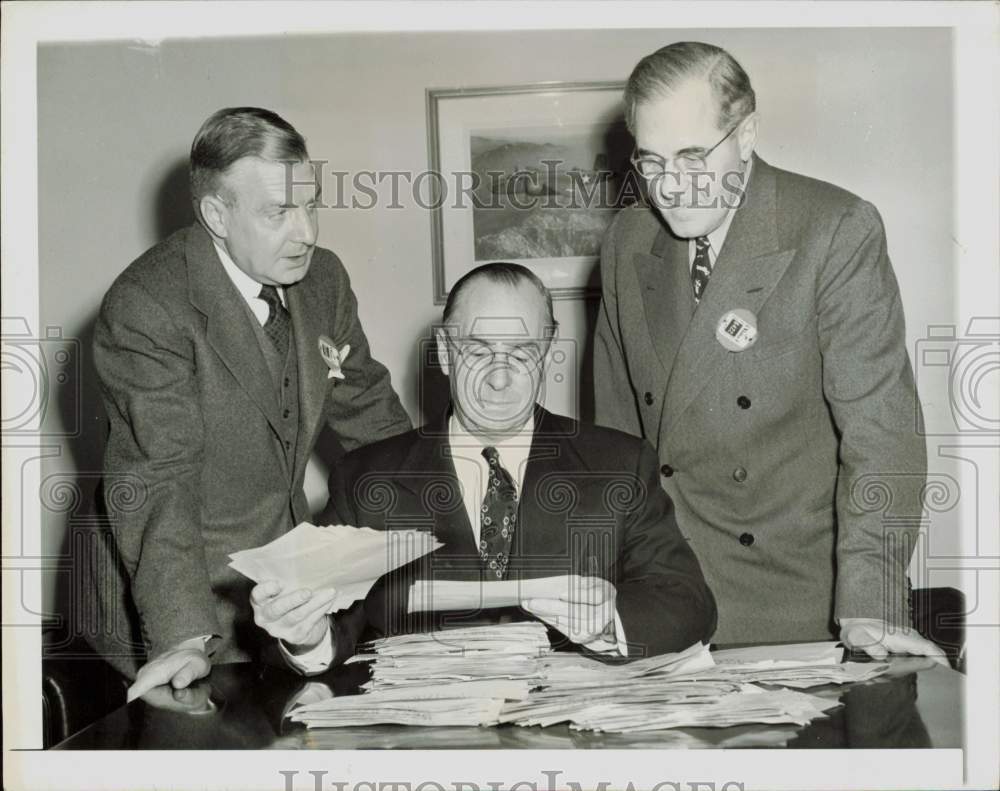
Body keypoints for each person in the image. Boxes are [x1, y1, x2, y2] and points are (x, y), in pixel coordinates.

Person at [594, 41, 944, 660]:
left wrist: (873, 602)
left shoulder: (833, 229)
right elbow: (617, 435)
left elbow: (882, 434)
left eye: (693, 157)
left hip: (800, 609)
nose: (671, 188)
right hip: (664, 605)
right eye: (651, 162)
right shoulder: (628, 239)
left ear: (747, 133)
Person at [91, 107, 412, 698]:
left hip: (283, 591)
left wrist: (443, 517)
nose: (308, 231)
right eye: (279, 212)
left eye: (311, 204)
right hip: (173, 597)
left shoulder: (324, 280)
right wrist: (183, 636)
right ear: (216, 214)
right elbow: (160, 481)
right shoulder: (148, 306)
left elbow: (372, 415)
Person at [251, 263, 717, 669]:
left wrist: (610, 619)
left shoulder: (619, 464)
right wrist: (304, 635)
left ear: (549, 351)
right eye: (477, 351)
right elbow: (332, 628)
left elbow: (688, 601)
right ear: (446, 353)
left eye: (522, 352)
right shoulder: (367, 478)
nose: (499, 376)